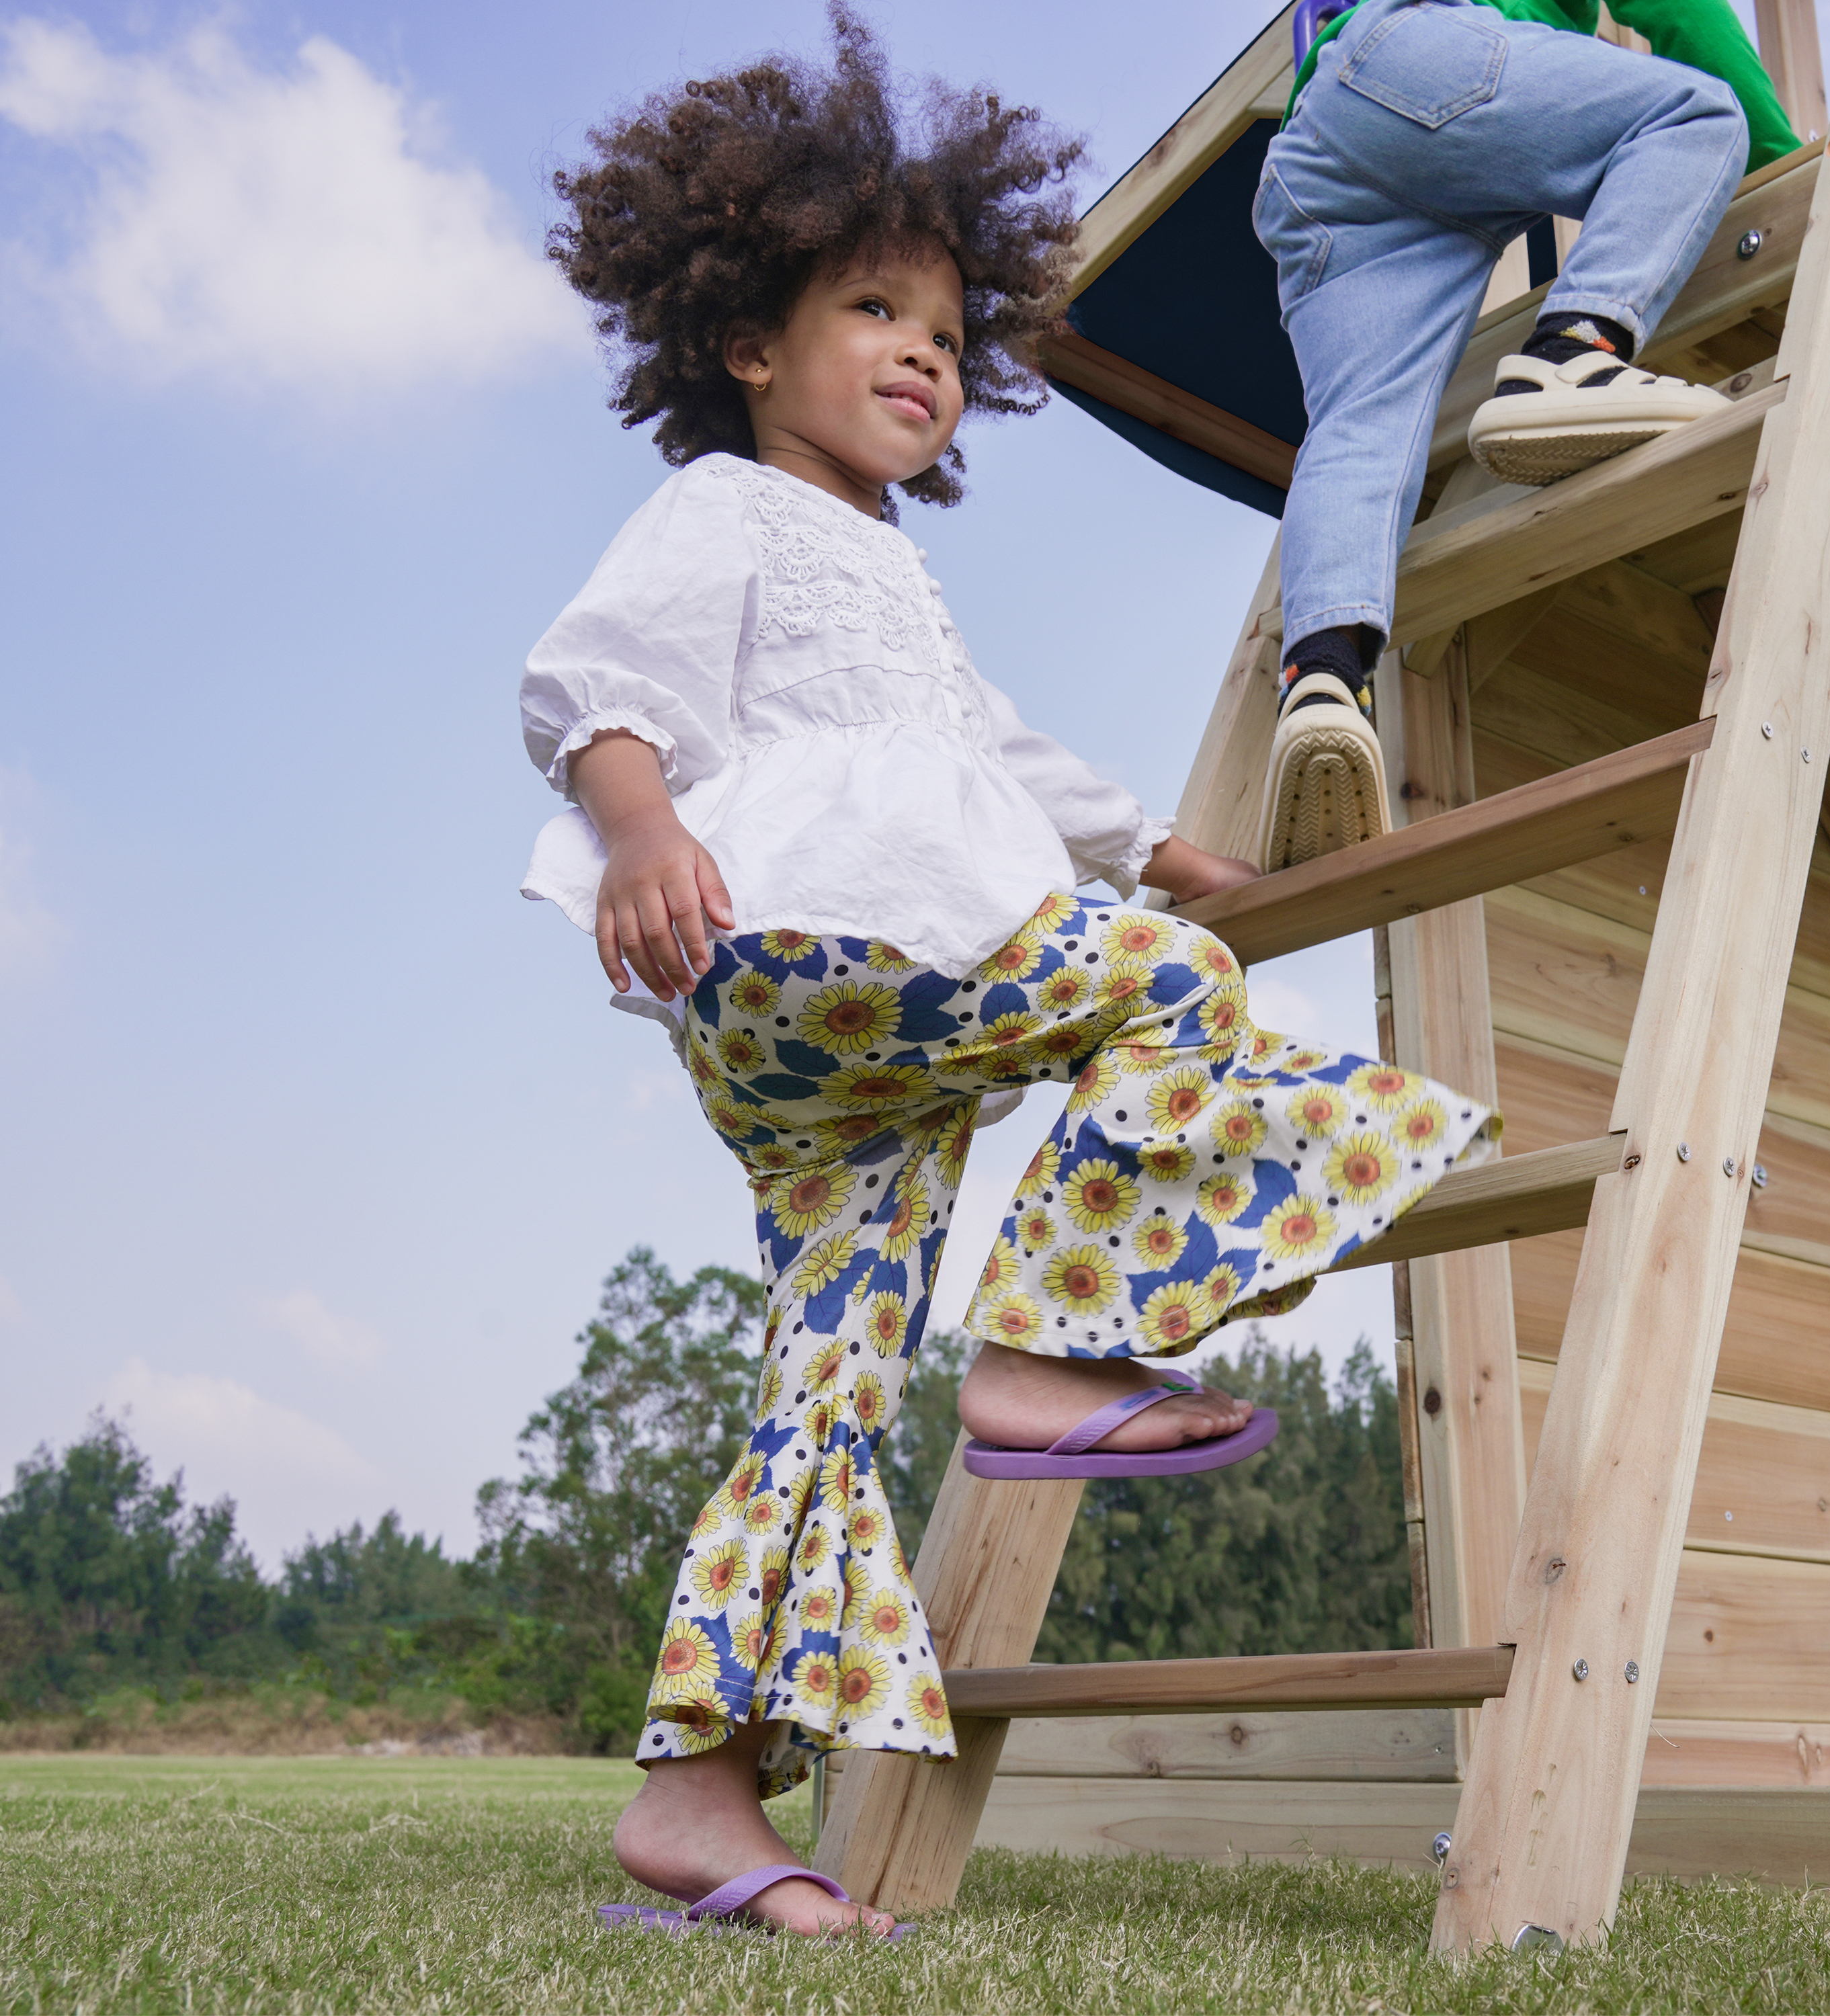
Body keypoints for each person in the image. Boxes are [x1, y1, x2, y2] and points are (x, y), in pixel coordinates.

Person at [522, 9, 1500, 1937]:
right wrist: (640, 830)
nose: (922, 356)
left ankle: (698, 1798)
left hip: (835, 1051)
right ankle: (1055, 1352)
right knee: (1169, 994)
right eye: (875, 311)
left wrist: (1162, 848)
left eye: (951, 340)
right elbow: (588, 680)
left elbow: (1006, 760)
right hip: (800, 935)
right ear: (746, 343)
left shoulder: (900, 573)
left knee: (825, 1368)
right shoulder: (729, 506)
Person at [1252, 0, 1798, 869]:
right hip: (1415, 57)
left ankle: (1320, 681)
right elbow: (1687, 13)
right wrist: (1788, 173)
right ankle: (1573, 351)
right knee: (1692, 115)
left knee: (1362, 426)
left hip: (1317, 159)